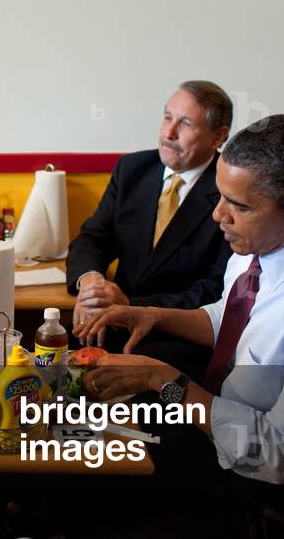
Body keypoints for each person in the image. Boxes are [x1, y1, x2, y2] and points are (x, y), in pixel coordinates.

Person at [76, 115, 284, 533]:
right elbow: (233, 319)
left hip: (283, 485)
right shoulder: (260, 244)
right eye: (220, 196)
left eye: (239, 206)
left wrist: (161, 380)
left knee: (98, 492)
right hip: (227, 426)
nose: (217, 215)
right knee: (85, 437)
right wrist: (150, 315)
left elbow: (280, 455)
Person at [66, 81, 234, 374]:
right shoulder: (132, 169)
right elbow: (93, 238)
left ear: (218, 137)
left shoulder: (230, 190)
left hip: (175, 337)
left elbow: (216, 288)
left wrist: (131, 305)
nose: (168, 134)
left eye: (185, 124)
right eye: (167, 117)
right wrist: (90, 283)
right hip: (108, 321)